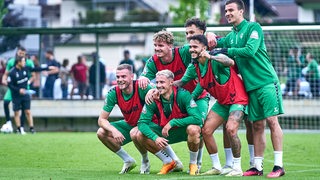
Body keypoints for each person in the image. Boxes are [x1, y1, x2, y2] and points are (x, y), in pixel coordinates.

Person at [214, 0, 285, 178]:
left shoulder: (254, 27)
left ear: (241, 11)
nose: (228, 13)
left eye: (231, 10)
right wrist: (210, 36)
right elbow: (216, 42)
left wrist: (225, 49)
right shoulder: (231, 36)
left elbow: (250, 50)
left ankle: (279, 166)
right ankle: (257, 167)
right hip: (250, 87)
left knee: (272, 121)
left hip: (267, 82)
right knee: (257, 126)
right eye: (226, 11)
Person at [184, 17, 254, 174]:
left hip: (238, 99)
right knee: (206, 130)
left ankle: (237, 167)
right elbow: (185, 83)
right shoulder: (195, 66)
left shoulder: (214, 57)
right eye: (190, 47)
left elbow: (229, 62)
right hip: (223, 102)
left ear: (204, 47)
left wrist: (211, 56)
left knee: (231, 129)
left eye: (195, 47)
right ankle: (216, 166)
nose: (192, 49)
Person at [138, 30, 209, 173]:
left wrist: (211, 36)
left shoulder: (183, 52)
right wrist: (149, 85)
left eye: (161, 45)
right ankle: (171, 161)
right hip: (171, 99)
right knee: (138, 133)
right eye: (155, 45)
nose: (157, 48)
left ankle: (197, 163)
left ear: (170, 46)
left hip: (197, 96)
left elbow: (200, 47)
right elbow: (144, 78)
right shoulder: (153, 61)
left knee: (199, 126)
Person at [96, 64, 181, 174]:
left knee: (136, 132)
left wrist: (153, 90)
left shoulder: (142, 87)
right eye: (118, 77)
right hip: (131, 124)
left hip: (152, 123)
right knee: (101, 132)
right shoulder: (113, 93)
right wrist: (114, 130)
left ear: (132, 76)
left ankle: (159, 161)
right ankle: (128, 160)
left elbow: (162, 92)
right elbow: (101, 120)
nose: (120, 80)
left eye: (123, 76)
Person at [136, 69, 202, 175]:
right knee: (139, 134)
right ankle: (168, 162)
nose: (158, 85)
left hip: (182, 131)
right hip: (164, 133)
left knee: (194, 129)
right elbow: (141, 123)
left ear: (171, 82)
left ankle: (193, 164)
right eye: (157, 82)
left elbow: (197, 118)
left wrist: (173, 122)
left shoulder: (183, 95)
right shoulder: (152, 97)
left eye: (162, 82)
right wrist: (155, 138)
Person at [7, 56, 53, 134]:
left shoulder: (26, 68)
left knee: (28, 111)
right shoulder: (12, 72)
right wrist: (19, 90)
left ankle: (31, 128)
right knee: (16, 112)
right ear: (18, 62)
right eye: (23, 61)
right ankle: (18, 129)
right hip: (16, 95)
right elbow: (10, 85)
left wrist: (47, 68)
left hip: (25, 94)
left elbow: (35, 69)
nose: (24, 63)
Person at [1, 46, 34, 134]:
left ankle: (21, 127)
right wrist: (4, 79)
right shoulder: (11, 62)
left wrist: (28, 82)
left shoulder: (29, 63)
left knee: (25, 108)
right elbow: (6, 74)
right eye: (20, 53)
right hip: (14, 88)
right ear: (17, 53)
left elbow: (33, 75)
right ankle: (8, 122)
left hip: (24, 87)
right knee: (6, 102)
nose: (21, 55)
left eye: (23, 54)